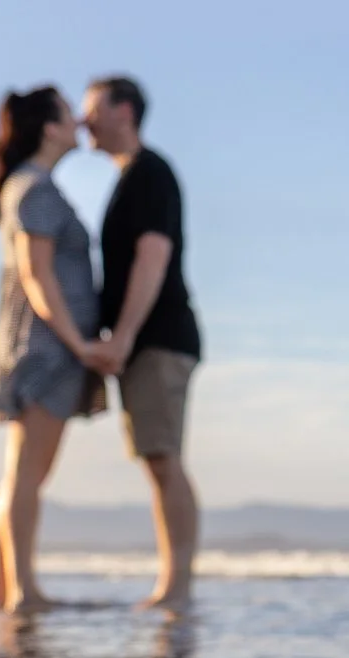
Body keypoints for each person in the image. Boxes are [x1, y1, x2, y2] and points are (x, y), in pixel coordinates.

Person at [0, 85, 108, 614]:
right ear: (48, 127)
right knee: (28, 475)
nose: (79, 121)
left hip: (39, 346)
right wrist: (79, 342)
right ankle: (22, 591)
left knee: (20, 475)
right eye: (67, 114)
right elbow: (37, 275)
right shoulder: (35, 188)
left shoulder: (30, 185)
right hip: (46, 349)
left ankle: (1, 589)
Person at [81, 75, 203, 612]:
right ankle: (174, 583)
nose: (86, 121)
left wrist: (124, 336)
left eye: (93, 110)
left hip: (158, 339)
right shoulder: (130, 176)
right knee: (157, 459)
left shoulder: (149, 172)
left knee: (162, 457)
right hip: (146, 341)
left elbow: (153, 257)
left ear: (124, 111)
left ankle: (176, 586)